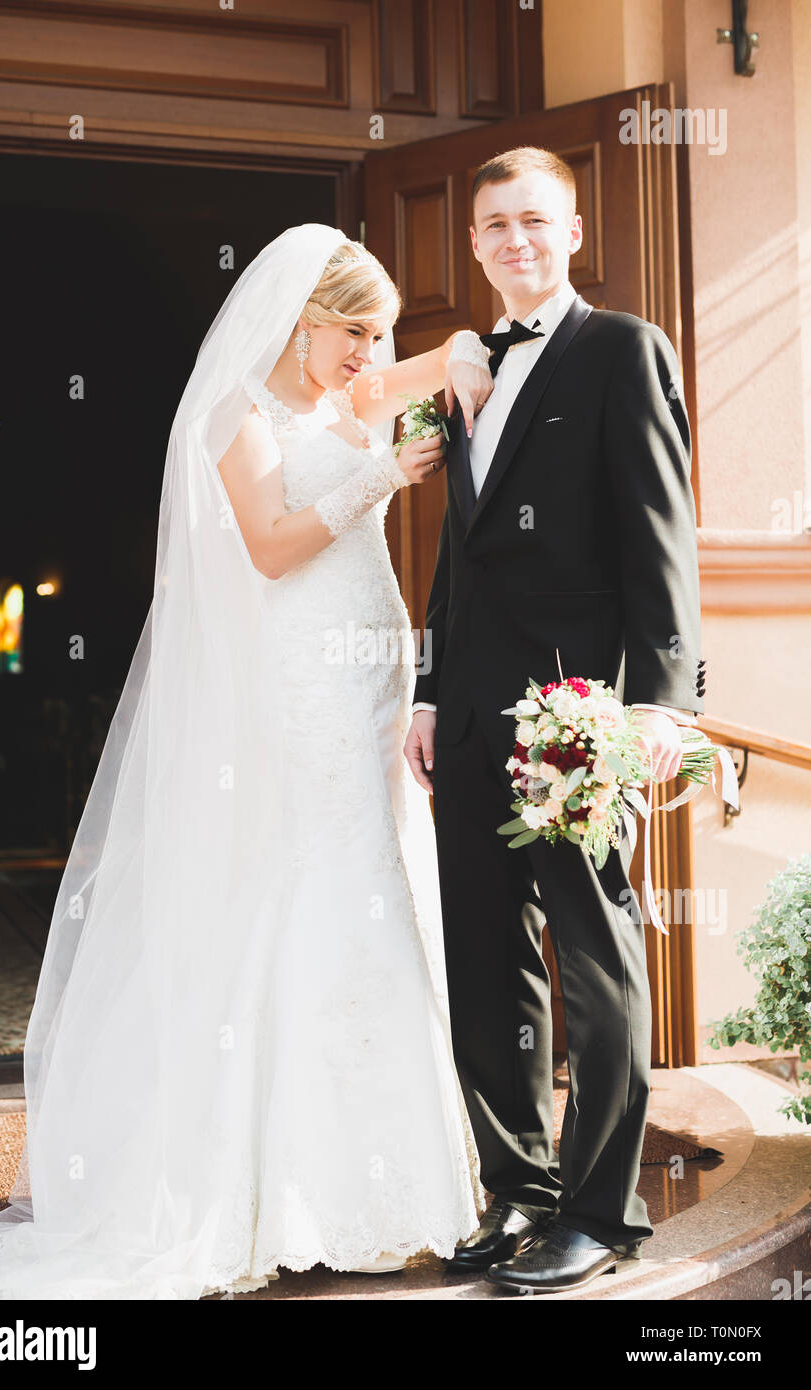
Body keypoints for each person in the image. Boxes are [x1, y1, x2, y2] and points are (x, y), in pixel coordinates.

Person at [0, 225, 494, 1300]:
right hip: (299, 691)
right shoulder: (237, 416)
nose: (369, 352)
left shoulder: (349, 391)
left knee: (378, 888)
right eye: (354, 331)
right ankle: (280, 1191)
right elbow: (272, 543)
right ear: (302, 320)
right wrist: (387, 472)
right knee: (309, 888)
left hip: (370, 686)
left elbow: (460, 351)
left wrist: (466, 354)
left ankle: (392, 1193)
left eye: (379, 333)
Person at [404, 146, 706, 1295]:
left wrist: (659, 705)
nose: (514, 241)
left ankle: (595, 1210)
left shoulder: (622, 348)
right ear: (472, 243)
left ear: (571, 232)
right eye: (493, 226)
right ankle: (516, 1190)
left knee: (593, 960)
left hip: (575, 718)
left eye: (534, 221)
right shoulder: (467, 368)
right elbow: (460, 559)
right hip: (473, 725)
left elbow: (658, 538)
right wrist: (431, 692)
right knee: (485, 968)